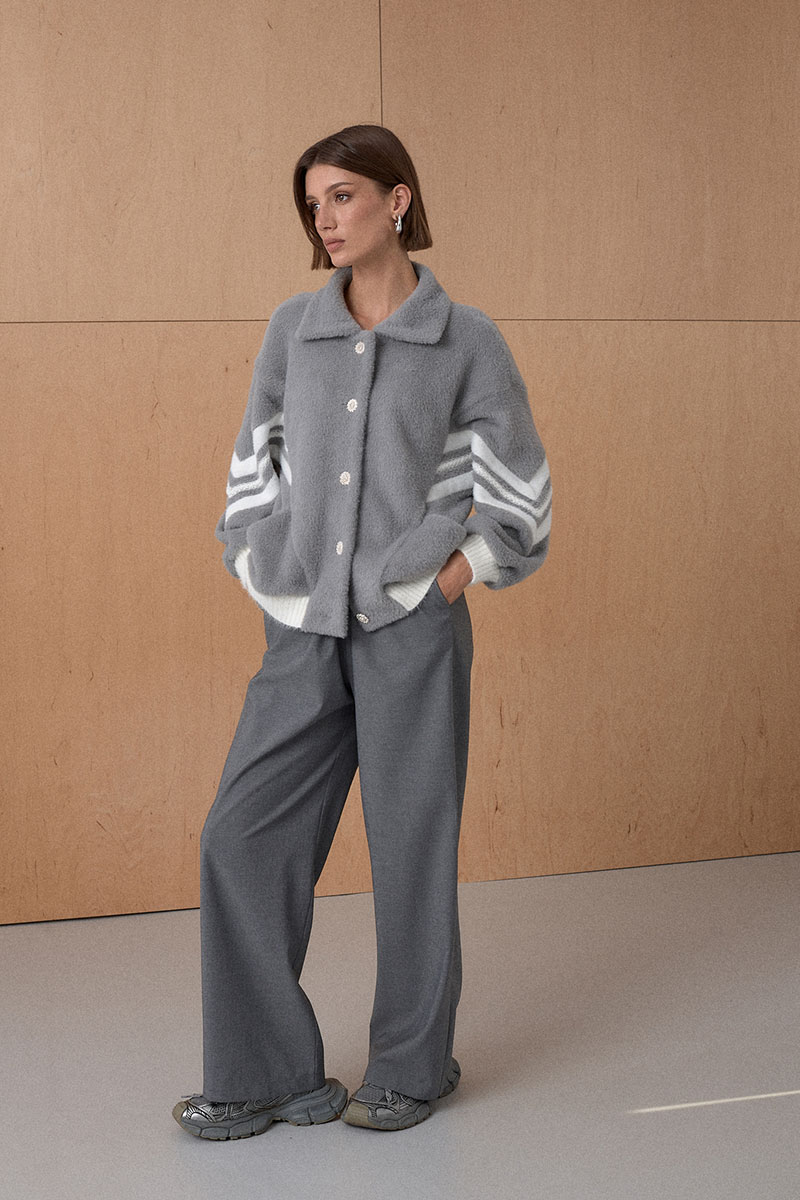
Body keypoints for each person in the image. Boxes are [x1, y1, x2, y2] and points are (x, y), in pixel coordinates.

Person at [173, 124, 551, 1139]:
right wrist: (261, 564)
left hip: (410, 627)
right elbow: (253, 469)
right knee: (240, 836)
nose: (325, 220)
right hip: (302, 628)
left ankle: (412, 1068)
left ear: (397, 199)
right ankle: (266, 1074)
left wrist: (453, 576)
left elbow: (518, 490)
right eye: (313, 204)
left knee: (411, 847)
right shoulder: (291, 331)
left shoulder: (465, 339)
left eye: (342, 196)